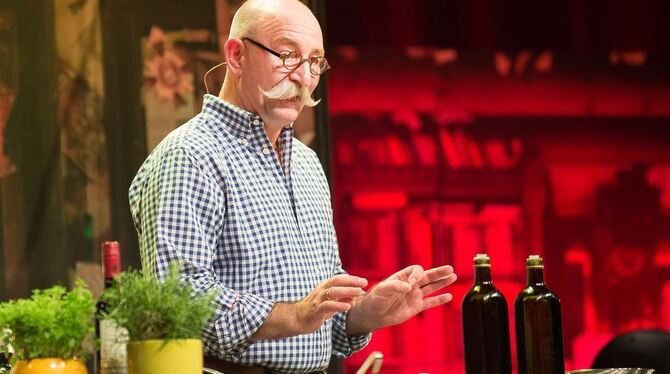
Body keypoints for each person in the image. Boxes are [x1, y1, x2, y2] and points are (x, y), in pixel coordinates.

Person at [128, 0, 457, 373]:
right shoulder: (189, 155)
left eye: (315, 62)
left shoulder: (306, 163)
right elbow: (179, 301)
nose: (304, 77)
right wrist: (296, 316)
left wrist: (366, 313)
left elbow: (321, 321)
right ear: (236, 56)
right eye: (287, 56)